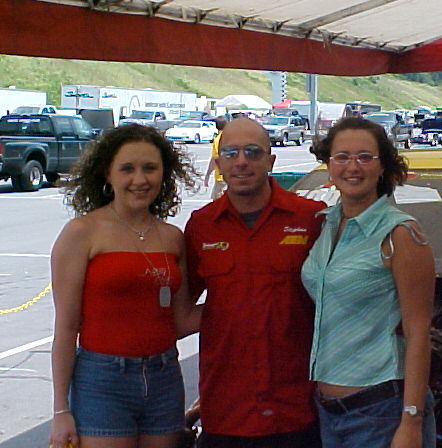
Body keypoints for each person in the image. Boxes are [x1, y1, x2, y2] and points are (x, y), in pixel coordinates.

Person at [49, 124, 201, 448]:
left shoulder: (172, 238)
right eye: (127, 169)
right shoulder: (82, 233)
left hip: (164, 377)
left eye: (150, 168)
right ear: (108, 173)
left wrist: (247, 296)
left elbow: (183, 319)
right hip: (102, 380)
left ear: (164, 174)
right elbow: (66, 328)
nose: (139, 179)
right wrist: (61, 409)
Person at [185, 117, 326, 448]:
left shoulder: (311, 218)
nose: (241, 161)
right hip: (227, 410)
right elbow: (180, 311)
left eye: (252, 152)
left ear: (270, 161)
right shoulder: (201, 225)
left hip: (295, 408)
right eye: (231, 153)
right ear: (218, 164)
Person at [302, 117, 436, 448]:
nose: (353, 167)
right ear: (329, 165)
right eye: (342, 157)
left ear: (382, 167)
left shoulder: (400, 233)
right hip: (329, 412)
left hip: (381, 410)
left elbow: (418, 332)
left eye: (365, 157)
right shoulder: (326, 224)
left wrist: (411, 421)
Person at [203, 116, 228, 199]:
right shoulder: (233, 137)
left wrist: (207, 175)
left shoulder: (218, 140)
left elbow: (215, 159)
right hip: (233, 176)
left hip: (222, 177)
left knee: (218, 201)